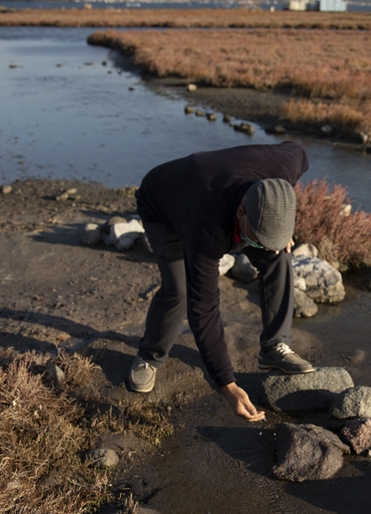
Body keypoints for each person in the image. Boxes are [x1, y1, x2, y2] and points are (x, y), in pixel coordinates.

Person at [127, 140, 315, 421]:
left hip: (221, 186)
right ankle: (150, 356)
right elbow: (204, 309)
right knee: (178, 289)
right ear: (241, 213)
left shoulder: (284, 166)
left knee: (280, 255)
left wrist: (280, 225)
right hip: (164, 205)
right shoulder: (205, 228)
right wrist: (227, 384)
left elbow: (300, 150)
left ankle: (275, 346)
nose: (265, 245)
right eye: (260, 238)